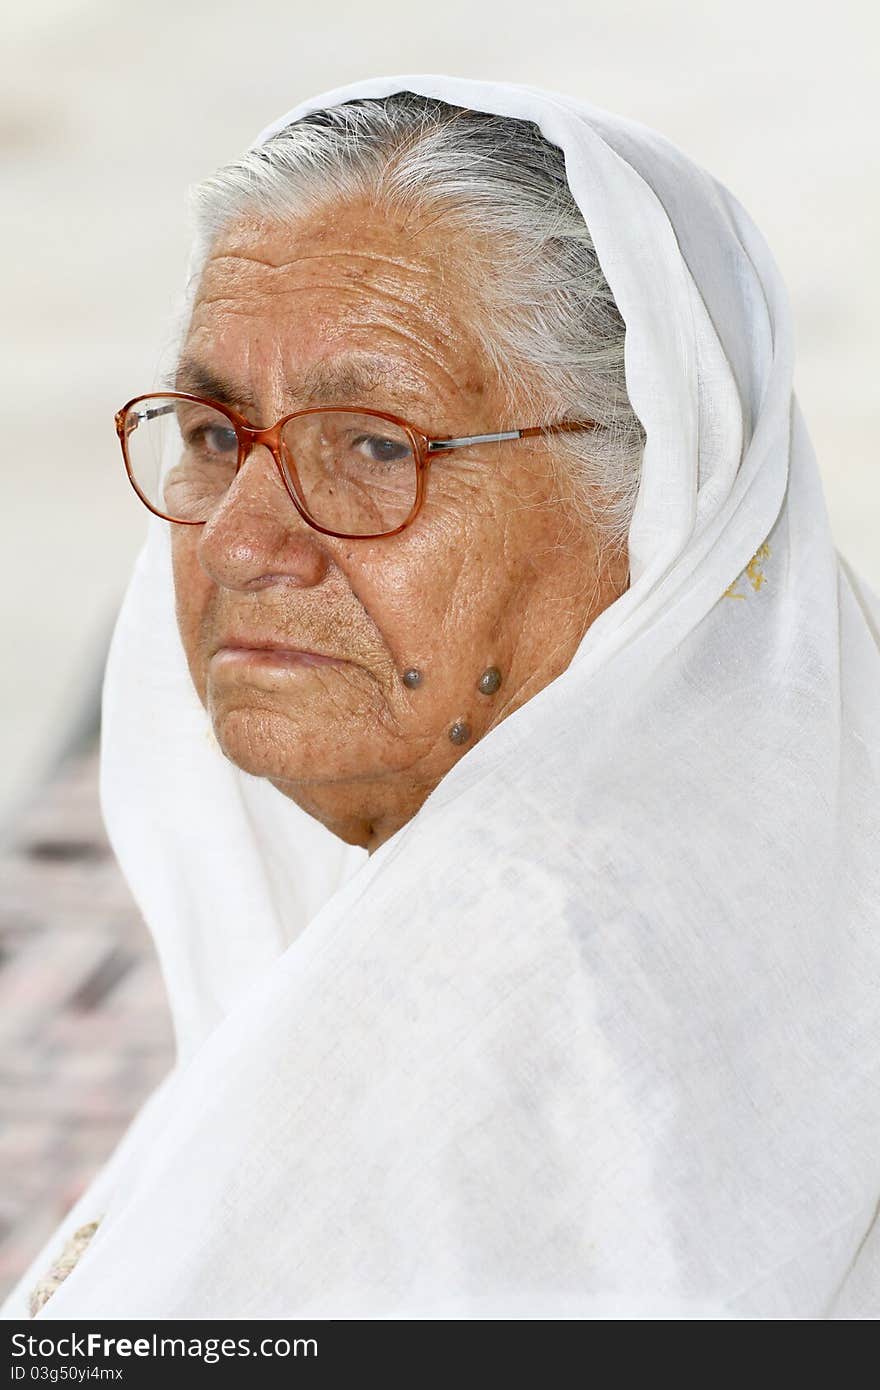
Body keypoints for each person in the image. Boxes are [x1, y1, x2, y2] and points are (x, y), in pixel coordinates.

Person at [3, 72, 878, 1321]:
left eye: (371, 446)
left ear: (655, 503)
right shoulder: (756, 899)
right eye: (210, 432)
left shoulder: (516, 989)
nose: (244, 539)